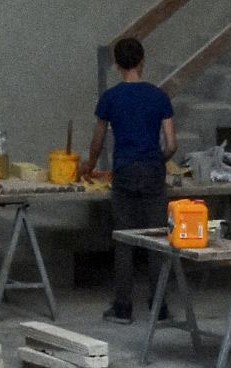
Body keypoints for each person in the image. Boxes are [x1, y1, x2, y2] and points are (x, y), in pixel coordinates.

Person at [85, 37, 174, 325]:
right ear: (142, 61)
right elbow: (171, 144)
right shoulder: (159, 97)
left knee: (124, 239)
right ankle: (159, 307)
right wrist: (157, 160)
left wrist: (88, 165)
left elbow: (98, 140)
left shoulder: (110, 98)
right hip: (152, 170)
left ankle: (123, 307)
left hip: (124, 171)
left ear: (118, 64)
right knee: (158, 239)